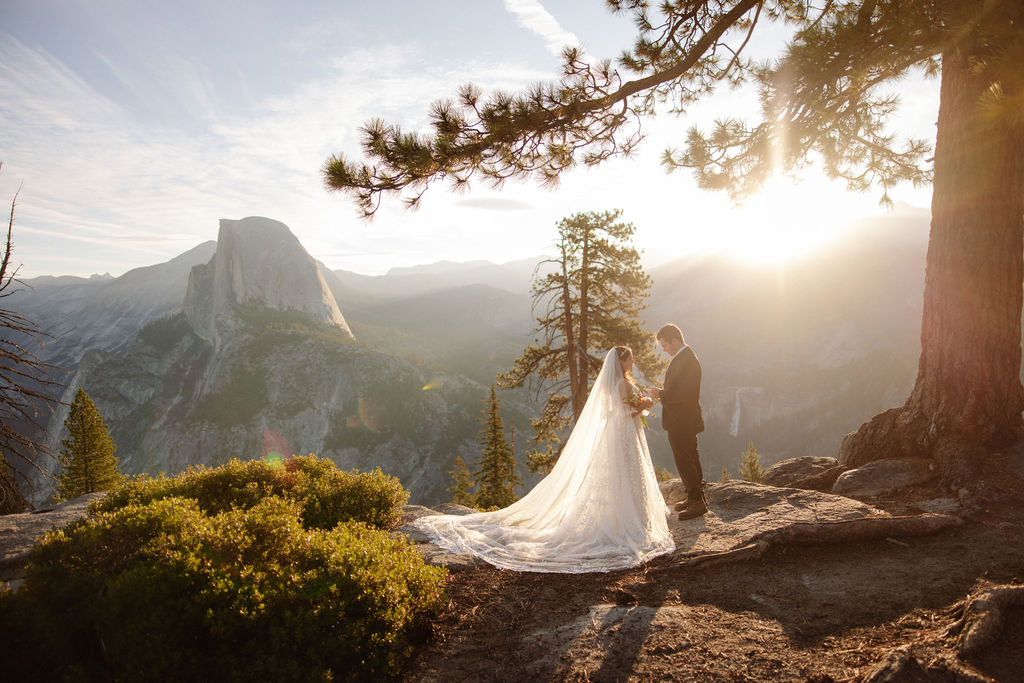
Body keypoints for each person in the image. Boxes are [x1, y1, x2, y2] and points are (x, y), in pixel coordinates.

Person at [413, 346, 675, 573]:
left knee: (621, 477)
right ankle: (632, 522)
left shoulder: (614, 384)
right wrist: (646, 404)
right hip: (624, 436)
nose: (633, 362)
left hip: (620, 437)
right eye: (630, 358)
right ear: (622, 362)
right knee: (627, 476)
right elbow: (624, 413)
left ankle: (623, 519)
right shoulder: (623, 385)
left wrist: (641, 403)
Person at [648, 323, 707, 520]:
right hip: (684, 417)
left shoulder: (687, 360)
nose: (663, 349)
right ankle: (695, 497)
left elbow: (684, 393)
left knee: (684, 458)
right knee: (690, 454)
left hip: (682, 419)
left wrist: (660, 394)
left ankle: (697, 502)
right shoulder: (685, 358)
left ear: (674, 340)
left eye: (664, 345)